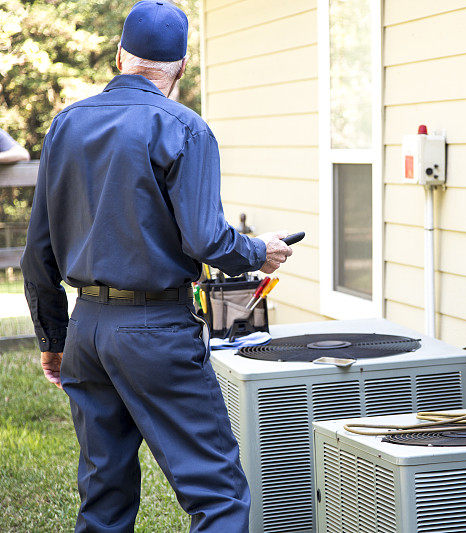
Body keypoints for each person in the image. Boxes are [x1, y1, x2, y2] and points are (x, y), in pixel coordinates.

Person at [20, 2, 291, 531]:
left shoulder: (64, 126)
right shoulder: (185, 129)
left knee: (104, 498)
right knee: (217, 493)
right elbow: (206, 239)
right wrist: (260, 252)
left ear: (120, 55)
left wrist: (54, 339)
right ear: (181, 68)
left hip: (87, 330)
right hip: (156, 332)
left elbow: (38, 253)